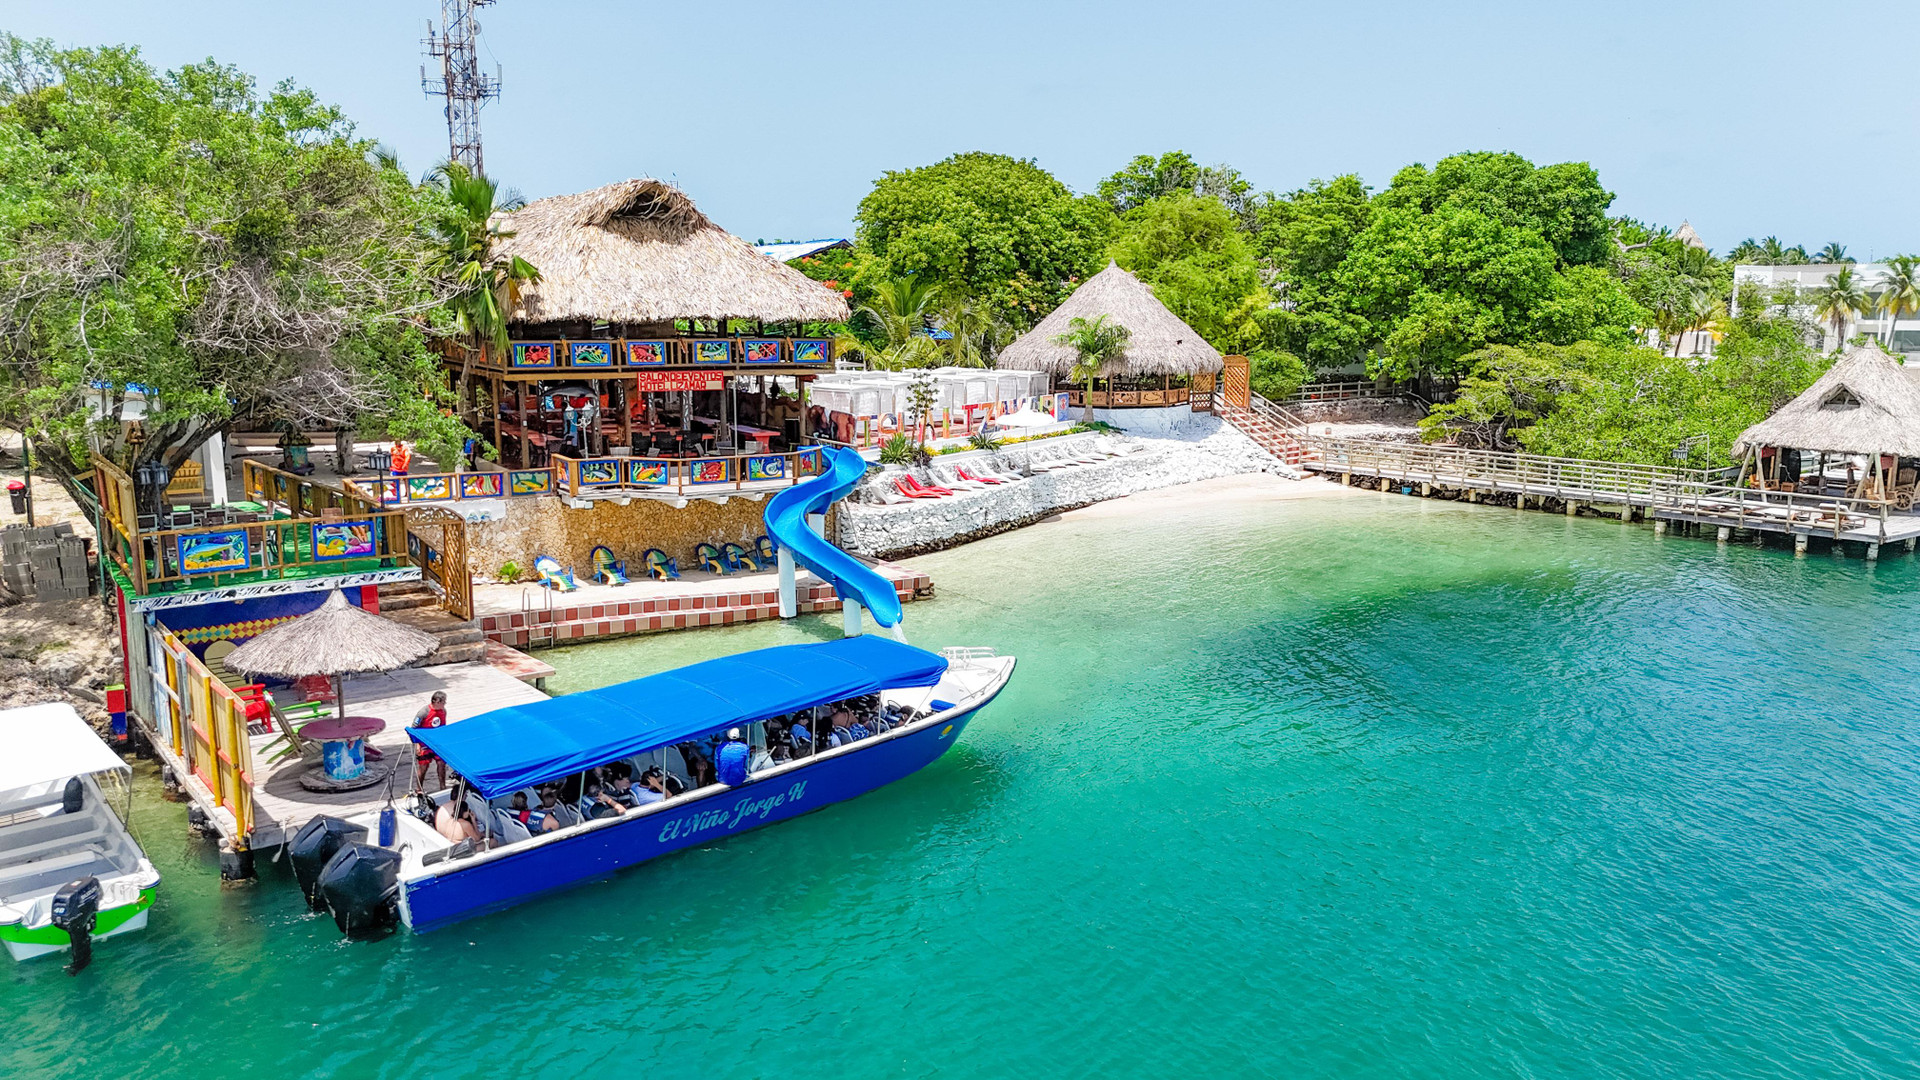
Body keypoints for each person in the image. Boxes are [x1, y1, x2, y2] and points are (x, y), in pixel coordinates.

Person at [410, 691, 449, 792]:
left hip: (436, 744)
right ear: (436, 701)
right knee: (423, 767)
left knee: (441, 764)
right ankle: (419, 789)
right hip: (424, 744)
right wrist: (417, 744)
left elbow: (443, 728)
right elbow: (413, 729)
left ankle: (442, 786)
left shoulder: (443, 711)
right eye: (443, 702)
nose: (445, 704)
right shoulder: (423, 712)